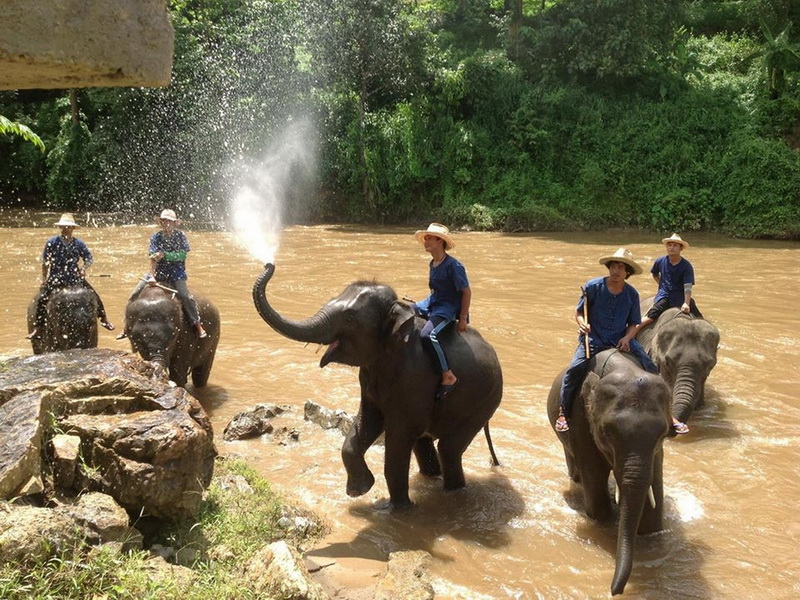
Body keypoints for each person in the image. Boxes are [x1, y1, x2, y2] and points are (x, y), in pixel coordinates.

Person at [555, 248, 689, 435]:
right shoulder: (592, 287)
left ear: (627, 273)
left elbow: (634, 324)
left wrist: (627, 338)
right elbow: (579, 312)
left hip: (620, 337)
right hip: (594, 337)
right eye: (613, 267)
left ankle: (668, 414)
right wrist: (583, 324)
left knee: (653, 371)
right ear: (608, 268)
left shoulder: (631, 294)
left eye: (620, 267)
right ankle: (563, 412)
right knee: (574, 370)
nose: (616, 271)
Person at [118, 209, 207, 339]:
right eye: (164, 221)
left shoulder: (180, 236)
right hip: (158, 271)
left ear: (175, 223)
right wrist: (152, 276)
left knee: (185, 296)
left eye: (169, 221)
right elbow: (152, 257)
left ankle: (197, 324)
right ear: (161, 222)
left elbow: (182, 255)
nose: (167, 224)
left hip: (176, 272)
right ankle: (127, 326)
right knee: (134, 294)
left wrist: (165, 255)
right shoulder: (156, 237)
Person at [27, 213, 114, 339]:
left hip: (74, 278)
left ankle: (104, 319)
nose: (64, 229)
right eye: (62, 226)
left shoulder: (79, 244)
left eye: (67, 227)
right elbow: (45, 263)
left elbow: (89, 259)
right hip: (56, 278)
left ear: (72, 228)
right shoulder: (52, 242)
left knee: (95, 296)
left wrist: (83, 269)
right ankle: (38, 328)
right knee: (42, 299)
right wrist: (44, 279)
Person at [412, 223, 471, 400]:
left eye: (429, 238)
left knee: (427, 335)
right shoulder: (433, 263)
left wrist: (462, 318)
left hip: (447, 308)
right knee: (402, 310)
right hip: (432, 302)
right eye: (425, 238)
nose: (426, 242)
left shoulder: (454, 266)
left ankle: (447, 374)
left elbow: (466, 292)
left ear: (440, 241)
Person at [636, 233, 702, 334]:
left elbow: (687, 286)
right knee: (650, 316)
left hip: (680, 296)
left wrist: (686, 303)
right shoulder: (660, 261)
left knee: (700, 320)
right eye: (670, 245)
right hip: (665, 296)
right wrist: (661, 285)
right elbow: (654, 274)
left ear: (681, 248)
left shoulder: (686, 266)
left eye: (675, 245)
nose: (672, 248)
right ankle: (633, 332)